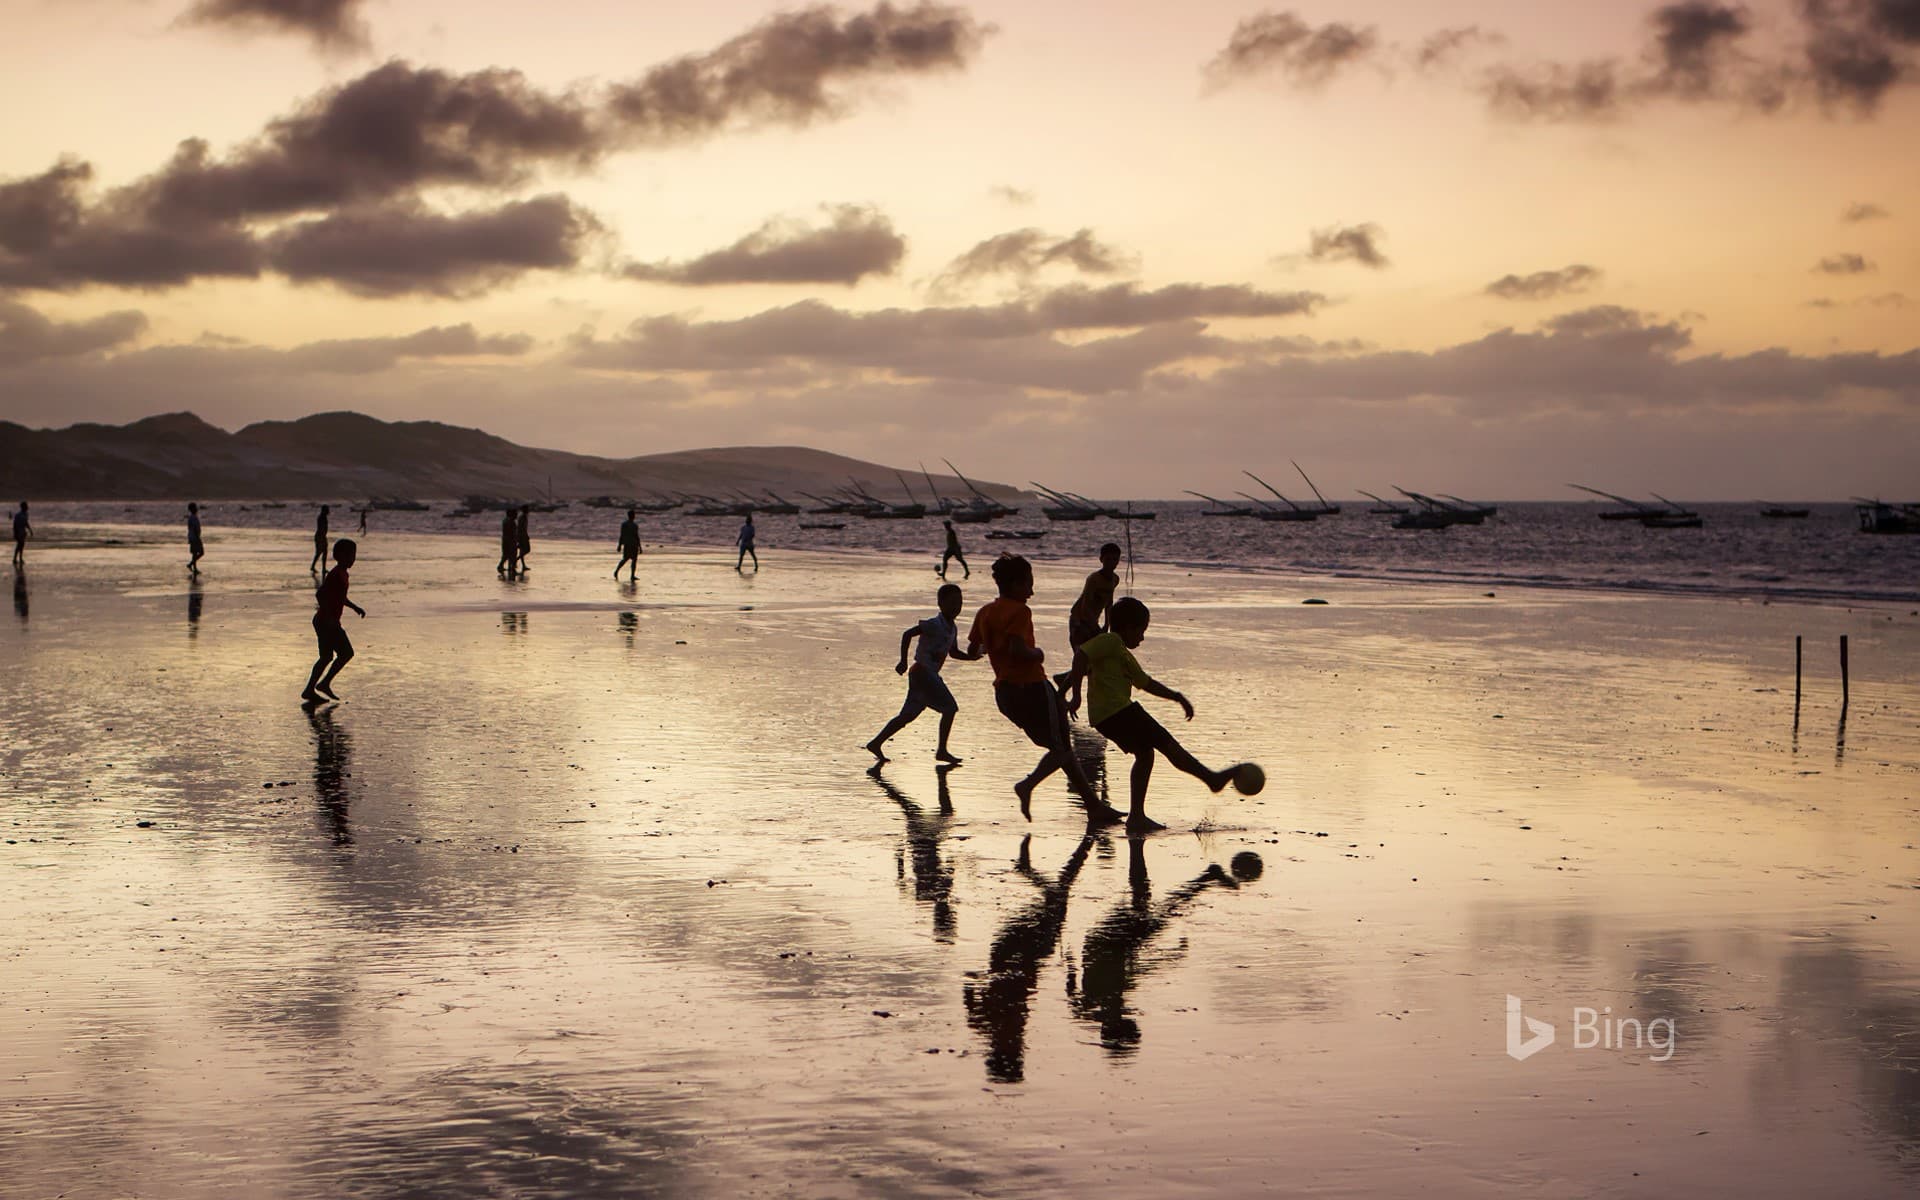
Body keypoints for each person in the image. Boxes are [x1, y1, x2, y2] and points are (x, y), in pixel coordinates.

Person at [1066, 597, 1242, 833]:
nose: (1142, 638)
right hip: (1117, 711)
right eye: (1141, 631)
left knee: (1146, 754)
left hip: (1110, 715)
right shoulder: (1109, 640)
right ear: (1128, 627)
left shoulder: (1121, 652)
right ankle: (1211, 779)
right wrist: (1075, 695)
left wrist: (1176, 697)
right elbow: (1081, 656)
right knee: (1165, 742)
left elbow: (1146, 683)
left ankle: (1137, 816)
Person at [967, 553, 1111, 821]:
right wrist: (1038, 654)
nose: (1031, 591)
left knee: (1062, 746)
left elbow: (974, 648)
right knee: (1062, 748)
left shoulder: (986, 611)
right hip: (1031, 688)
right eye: (1028, 585)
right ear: (1014, 585)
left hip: (1005, 693)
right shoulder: (1020, 611)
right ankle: (1028, 785)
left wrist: (995, 650)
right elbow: (1019, 649)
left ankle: (1093, 806)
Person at [867, 583, 979, 765]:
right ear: (940, 604)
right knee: (950, 708)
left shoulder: (952, 628)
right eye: (952, 602)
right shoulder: (934, 624)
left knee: (907, 716)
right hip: (922, 672)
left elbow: (954, 652)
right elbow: (908, 634)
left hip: (926, 675)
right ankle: (941, 750)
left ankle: (876, 742)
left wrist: (972, 657)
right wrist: (903, 660)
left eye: (959, 603)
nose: (956, 607)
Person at [1057, 542, 1122, 710]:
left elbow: (1109, 603)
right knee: (1084, 662)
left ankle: (1063, 679)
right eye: (1108, 559)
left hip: (1094, 623)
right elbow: (1085, 605)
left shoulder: (1115, 580)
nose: (1112, 563)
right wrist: (1094, 627)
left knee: (1091, 664)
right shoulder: (1093, 579)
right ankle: (1061, 694)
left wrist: (1107, 624)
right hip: (1079, 621)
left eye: (1115, 559)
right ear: (1101, 559)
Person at [302, 538, 365, 703]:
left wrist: (355, 607)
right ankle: (323, 684)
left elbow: (340, 597)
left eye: (354, 555)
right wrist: (329, 615)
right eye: (350, 555)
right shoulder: (336, 574)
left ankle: (311, 689)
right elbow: (320, 594)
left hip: (325, 621)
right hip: (326, 622)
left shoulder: (343, 574)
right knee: (346, 653)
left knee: (326, 657)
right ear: (339, 556)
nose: (353, 559)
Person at [615, 508, 643, 580]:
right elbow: (636, 536)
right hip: (633, 544)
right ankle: (631, 575)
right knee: (632, 560)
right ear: (633, 516)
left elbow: (622, 535)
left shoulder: (625, 524)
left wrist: (620, 545)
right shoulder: (634, 525)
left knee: (626, 559)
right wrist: (640, 546)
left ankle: (617, 571)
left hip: (628, 544)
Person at [497, 508, 517, 576]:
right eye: (515, 514)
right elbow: (512, 532)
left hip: (506, 539)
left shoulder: (506, 520)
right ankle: (512, 569)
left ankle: (502, 566)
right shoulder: (510, 521)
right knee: (512, 555)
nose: (516, 515)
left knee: (506, 555)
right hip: (509, 540)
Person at [310, 505, 330, 573]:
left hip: (321, 536)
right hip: (320, 536)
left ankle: (317, 567)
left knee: (322, 552)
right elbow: (322, 528)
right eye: (327, 510)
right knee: (320, 552)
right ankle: (319, 568)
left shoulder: (323, 517)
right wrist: (322, 537)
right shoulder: (322, 517)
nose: (328, 511)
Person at [186, 502, 204, 574]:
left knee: (195, 553)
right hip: (195, 537)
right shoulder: (193, 518)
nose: (196, 509)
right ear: (192, 509)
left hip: (193, 537)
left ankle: (193, 567)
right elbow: (195, 528)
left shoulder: (192, 517)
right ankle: (191, 564)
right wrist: (197, 537)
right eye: (195, 507)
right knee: (201, 552)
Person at [12, 501, 31, 566]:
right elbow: (14, 524)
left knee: (21, 545)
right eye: (26, 506)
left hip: (23, 532)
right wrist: (15, 533)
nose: (27, 508)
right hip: (18, 531)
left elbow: (26, 523)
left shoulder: (26, 514)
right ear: (23, 507)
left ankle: (19, 558)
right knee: (19, 545)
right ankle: (15, 558)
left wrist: (30, 530)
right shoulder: (18, 515)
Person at [516, 506, 532, 573]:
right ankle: (516, 560)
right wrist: (523, 536)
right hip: (522, 536)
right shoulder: (522, 517)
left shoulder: (523, 517)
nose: (528, 510)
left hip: (522, 535)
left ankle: (522, 565)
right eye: (527, 509)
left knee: (523, 551)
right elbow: (521, 528)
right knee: (527, 550)